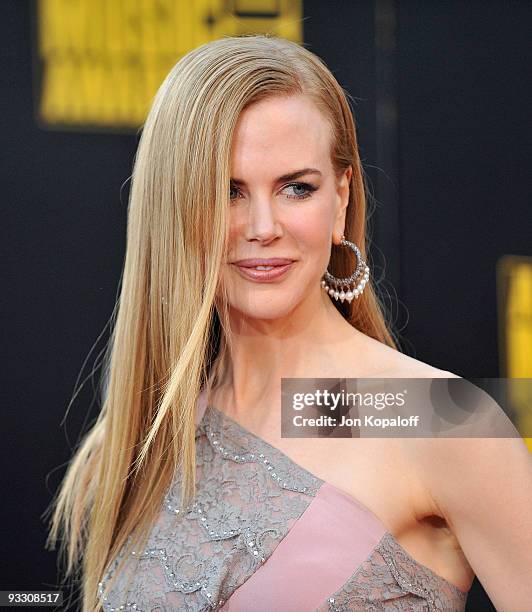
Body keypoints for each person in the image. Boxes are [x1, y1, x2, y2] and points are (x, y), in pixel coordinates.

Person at [45, 34, 532, 612]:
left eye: (296, 188)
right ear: (173, 208)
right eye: (226, 192)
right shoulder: (147, 429)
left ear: (342, 199)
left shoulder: (431, 419)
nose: (263, 226)